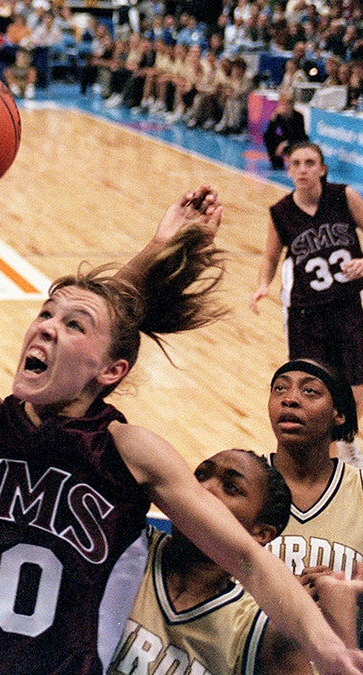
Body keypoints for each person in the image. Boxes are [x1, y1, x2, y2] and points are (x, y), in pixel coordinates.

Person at [0, 185, 363, 674]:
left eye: (71, 325)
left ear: (112, 373)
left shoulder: (131, 453)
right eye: (44, 313)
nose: (46, 325)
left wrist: (328, 645)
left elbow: (249, 559)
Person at [109, 449, 307, 675]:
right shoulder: (128, 541)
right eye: (200, 475)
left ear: (261, 533)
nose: (203, 489)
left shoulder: (258, 632)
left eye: (231, 487)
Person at [249, 142, 363, 414]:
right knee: (313, 386)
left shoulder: (343, 196)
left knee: (357, 384)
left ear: (322, 169)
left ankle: (347, 439)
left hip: (347, 304)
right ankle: (335, 443)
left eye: (310, 163)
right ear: (288, 171)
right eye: (296, 164)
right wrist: (262, 285)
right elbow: (270, 257)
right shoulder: (280, 212)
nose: (303, 170)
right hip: (306, 313)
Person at [265, 358, 363, 578]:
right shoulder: (238, 483)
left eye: (310, 391)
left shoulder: (359, 489)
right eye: (280, 388)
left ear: (339, 414)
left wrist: (345, 595)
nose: (289, 399)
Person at [262, 92, 309, 169]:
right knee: (268, 136)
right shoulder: (279, 115)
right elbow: (270, 132)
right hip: (286, 139)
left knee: (298, 143)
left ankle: (298, 162)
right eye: (282, 104)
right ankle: (276, 162)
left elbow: (299, 135)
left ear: (291, 105)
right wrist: (273, 119)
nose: (284, 107)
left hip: (297, 140)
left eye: (286, 104)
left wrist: (285, 144)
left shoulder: (298, 116)